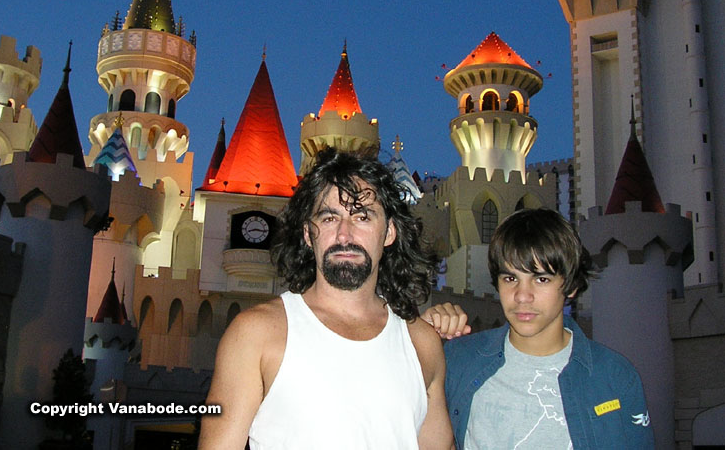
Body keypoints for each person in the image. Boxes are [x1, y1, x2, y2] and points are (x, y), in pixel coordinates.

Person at [200, 147, 454, 449]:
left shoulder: (422, 344)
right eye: (330, 218)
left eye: (362, 217)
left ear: (389, 233)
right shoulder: (256, 334)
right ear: (309, 234)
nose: (344, 235)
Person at [423, 208, 654, 449]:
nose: (522, 296)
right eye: (510, 279)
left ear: (572, 286)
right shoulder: (459, 359)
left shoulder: (614, 376)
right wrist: (421, 339)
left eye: (541, 279)